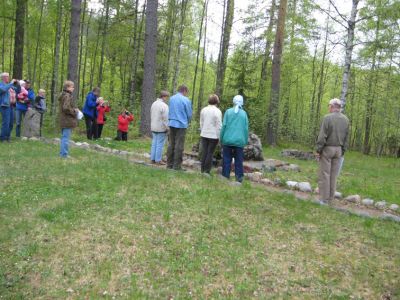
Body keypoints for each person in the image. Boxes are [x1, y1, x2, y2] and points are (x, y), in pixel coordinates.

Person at [316, 98, 349, 205]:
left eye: (329, 106)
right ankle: (330, 199)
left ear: (332, 106)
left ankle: (324, 200)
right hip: (339, 150)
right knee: (333, 175)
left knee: (325, 174)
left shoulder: (327, 118)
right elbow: (346, 138)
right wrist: (343, 150)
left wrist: (318, 150)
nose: (328, 108)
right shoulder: (346, 119)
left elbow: (322, 137)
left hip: (327, 149)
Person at [220, 95, 249, 183]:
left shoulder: (228, 112)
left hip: (227, 140)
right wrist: (245, 140)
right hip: (239, 141)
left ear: (233, 101)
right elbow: (246, 129)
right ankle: (239, 178)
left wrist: (221, 138)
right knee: (239, 160)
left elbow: (224, 126)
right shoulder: (244, 114)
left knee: (226, 159)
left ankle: (225, 176)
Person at [167, 85, 192, 170]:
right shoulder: (186, 100)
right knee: (179, 145)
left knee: (171, 144)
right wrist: (188, 122)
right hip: (181, 124)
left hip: (171, 123)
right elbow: (189, 114)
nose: (186, 94)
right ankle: (176, 166)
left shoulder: (171, 98)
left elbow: (170, 110)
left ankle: (169, 164)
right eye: (186, 92)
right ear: (184, 91)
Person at [200, 94, 222, 174]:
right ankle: (206, 171)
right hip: (213, 135)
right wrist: (219, 136)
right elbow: (219, 125)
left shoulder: (203, 109)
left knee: (204, 152)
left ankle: (202, 170)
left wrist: (203, 130)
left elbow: (201, 122)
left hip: (204, 134)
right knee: (210, 153)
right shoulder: (217, 111)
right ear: (216, 101)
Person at [58, 81, 78, 158]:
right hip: (67, 120)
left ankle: (62, 153)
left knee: (64, 137)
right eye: (72, 87)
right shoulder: (67, 96)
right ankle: (64, 154)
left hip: (64, 119)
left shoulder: (64, 95)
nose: (73, 88)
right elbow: (66, 108)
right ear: (67, 87)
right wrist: (74, 111)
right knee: (65, 138)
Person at [150, 91, 170, 165]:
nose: (167, 99)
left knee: (154, 143)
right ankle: (158, 160)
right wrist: (168, 127)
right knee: (160, 144)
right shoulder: (164, 106)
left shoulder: (154, 104)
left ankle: (152, 158)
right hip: (161, 127)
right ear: (164, 97)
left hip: (153, 126)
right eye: (167, 97)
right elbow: (166, 118)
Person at [0, 73, 18, 142]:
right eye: (7, 77)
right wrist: (11, 83)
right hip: (5, 106)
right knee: (6, 122)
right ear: (3, 78)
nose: (8, 78)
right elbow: (4, 89)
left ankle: (7, 137)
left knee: (11, 123)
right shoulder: (1, 85)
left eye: (8, 76)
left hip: (12, 106)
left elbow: (17, 90)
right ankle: (3, 138)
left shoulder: (10, 86)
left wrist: (17, 84)